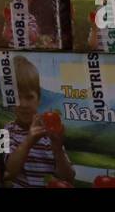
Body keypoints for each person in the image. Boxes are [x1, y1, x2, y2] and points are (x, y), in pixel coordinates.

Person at [4, 56, 74, 188]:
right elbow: (8, 172)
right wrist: (28, 142)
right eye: (17, 97)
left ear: (39, 99)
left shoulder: (50, 132)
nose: (24, 104)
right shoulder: (5, 131)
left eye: (29, 97)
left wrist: (58, 149)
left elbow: (68, 178)